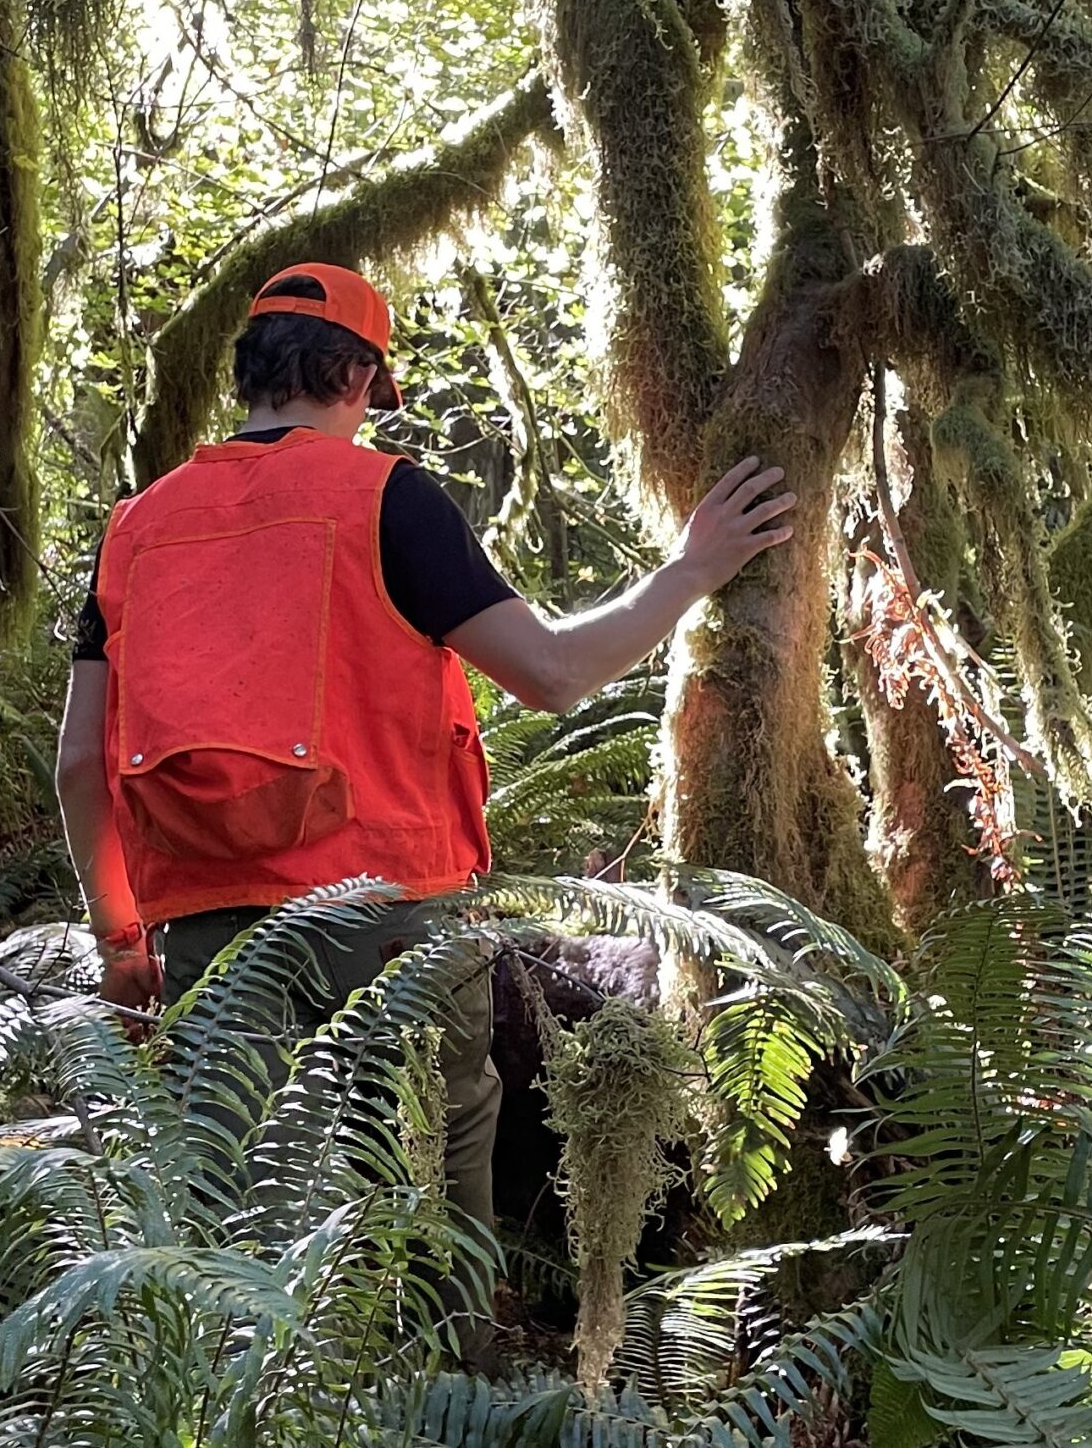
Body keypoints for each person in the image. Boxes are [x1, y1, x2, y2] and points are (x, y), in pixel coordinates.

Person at [54, 260, 793, 1354]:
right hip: (394, 921)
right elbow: (549, 671)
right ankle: (448, 1399)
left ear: (250, 372)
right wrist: (690, 569)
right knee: (430, 1188)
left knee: (246, 1204)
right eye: (370, 392)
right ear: (353, 373)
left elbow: (79, 763)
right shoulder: (381, 498)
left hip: (210, 937)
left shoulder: (138, 527)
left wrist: (123, 940)